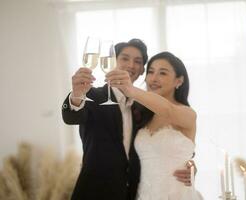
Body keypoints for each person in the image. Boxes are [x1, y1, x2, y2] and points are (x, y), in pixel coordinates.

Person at [62, 39, 194, 200]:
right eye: (125, 58)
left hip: (133, 194)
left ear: (141, 71)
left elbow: (176, 147)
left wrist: (190, 166)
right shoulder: (92, 96)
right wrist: (76, 94)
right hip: (95, 192)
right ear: (112, 62)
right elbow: (71, 116)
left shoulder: (143, 108)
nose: (131, 65)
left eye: (137, 61)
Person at [106, 51, 203, 200]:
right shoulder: (139, 113)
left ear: (179, 80)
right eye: (150, 72)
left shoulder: (187, 114)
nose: (154, 79)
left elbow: (169, 111)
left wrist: (190, 165)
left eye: (162, 73)